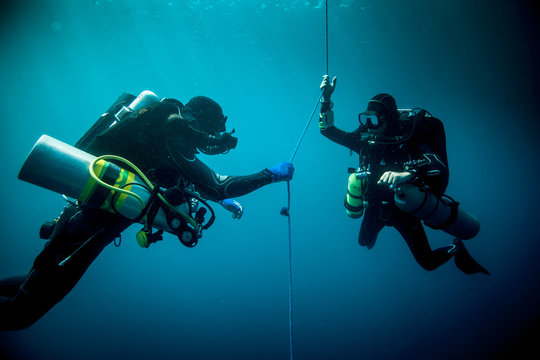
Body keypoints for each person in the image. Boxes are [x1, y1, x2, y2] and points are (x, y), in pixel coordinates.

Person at [0, 92, 294, 330]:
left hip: (91, 215)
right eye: (213, 131)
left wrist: (219, 199)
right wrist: (270, 175)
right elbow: (218, 185)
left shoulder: (162, 125)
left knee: (31, 289)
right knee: (22, 313)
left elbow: (191, 179)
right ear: (202, 122)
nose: (211, 141)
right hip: (91, 222)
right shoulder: (176, 129)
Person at [318, 75, 488, 275]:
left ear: (387, 118)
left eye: (374, 120)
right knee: (364, 241)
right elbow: (328, 130)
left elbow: (436, 162)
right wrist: (326, 100)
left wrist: (408, 174)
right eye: (366, 119)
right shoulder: (365, 141)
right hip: (374, 204)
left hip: (403, 209)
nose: (369, 126)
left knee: (428, 262)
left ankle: (456, 248)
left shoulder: (408, 139)